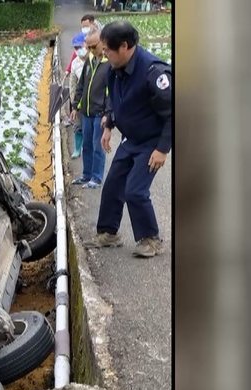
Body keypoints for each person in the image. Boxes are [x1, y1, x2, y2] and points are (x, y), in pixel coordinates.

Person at [87, 20, 172, 258]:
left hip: (151, 142)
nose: (104, 54)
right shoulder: (116, 70)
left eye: (107, 50)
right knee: (113, 185)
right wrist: (109, 125)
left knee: (135, 190)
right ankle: (108, 233)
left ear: (124, 46)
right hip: (130, 139)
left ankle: (151, 239)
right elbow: (116, 100)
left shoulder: (153, 72)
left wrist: (163, 149)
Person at [70, 31, 111, 190]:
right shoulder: (90, 60)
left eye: (94, 46)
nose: (91, 50)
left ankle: (96, 177)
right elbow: (81, 85)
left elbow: (110, 92)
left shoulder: (108, 64)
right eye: (89, 47)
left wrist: (108, 114)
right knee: (86, 145)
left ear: (102, 43)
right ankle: (86, 175)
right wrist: (75, 106)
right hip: (86, 111)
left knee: (97, 145)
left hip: (100, 112)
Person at [66, 33, 88, 159]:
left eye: (80, 46)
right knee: (78, 126)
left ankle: (87, 148)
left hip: (93, 102)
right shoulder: (75, 63)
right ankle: (77, 149)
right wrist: (74, 105)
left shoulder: (94, 60)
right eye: (76, 48)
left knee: (89, 128)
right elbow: (73, 85)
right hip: (79, 102)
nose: (79, 50)